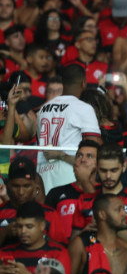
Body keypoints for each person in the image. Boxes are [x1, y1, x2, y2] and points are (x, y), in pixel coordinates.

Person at [72, 143, 127, 254]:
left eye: (113, 170)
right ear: (97, 168)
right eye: (103, 170)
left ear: (124, 167)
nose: (108, 176)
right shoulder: (85, 200)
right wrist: (86, 234)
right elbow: (73, 246)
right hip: (92, 267)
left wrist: (105, 225)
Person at [36, 64, 102, 192]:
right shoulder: (83, 108)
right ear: (83, 83)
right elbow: (95, 147)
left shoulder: (44, 108)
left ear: (63, 83)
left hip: (43, 172)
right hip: (70, 173)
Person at [68, 194, 127, 274]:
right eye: (118, 210)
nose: (125, 214)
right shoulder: (81, 244)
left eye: (124, 209)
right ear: (102, 215)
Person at [0, 202, 71, 274]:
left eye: (29, 226)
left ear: (42, 226)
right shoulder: (5, 252)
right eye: (19, 226)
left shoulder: (58, 252)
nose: (23, 231)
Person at [0, 158, 68, 246]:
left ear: (36, 187)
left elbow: (61, 249)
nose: (21, 192)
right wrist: (4, 233)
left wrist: (40, 235)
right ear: (8, 185)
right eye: (16, 186)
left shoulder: (49, 214)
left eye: (26, 186)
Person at [44, 140, 99, 235]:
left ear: (99, 164)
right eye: (79, 156)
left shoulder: (103, 192)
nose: (83, 160)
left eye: (89, 156)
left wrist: (85, 180)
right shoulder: (55, 193)